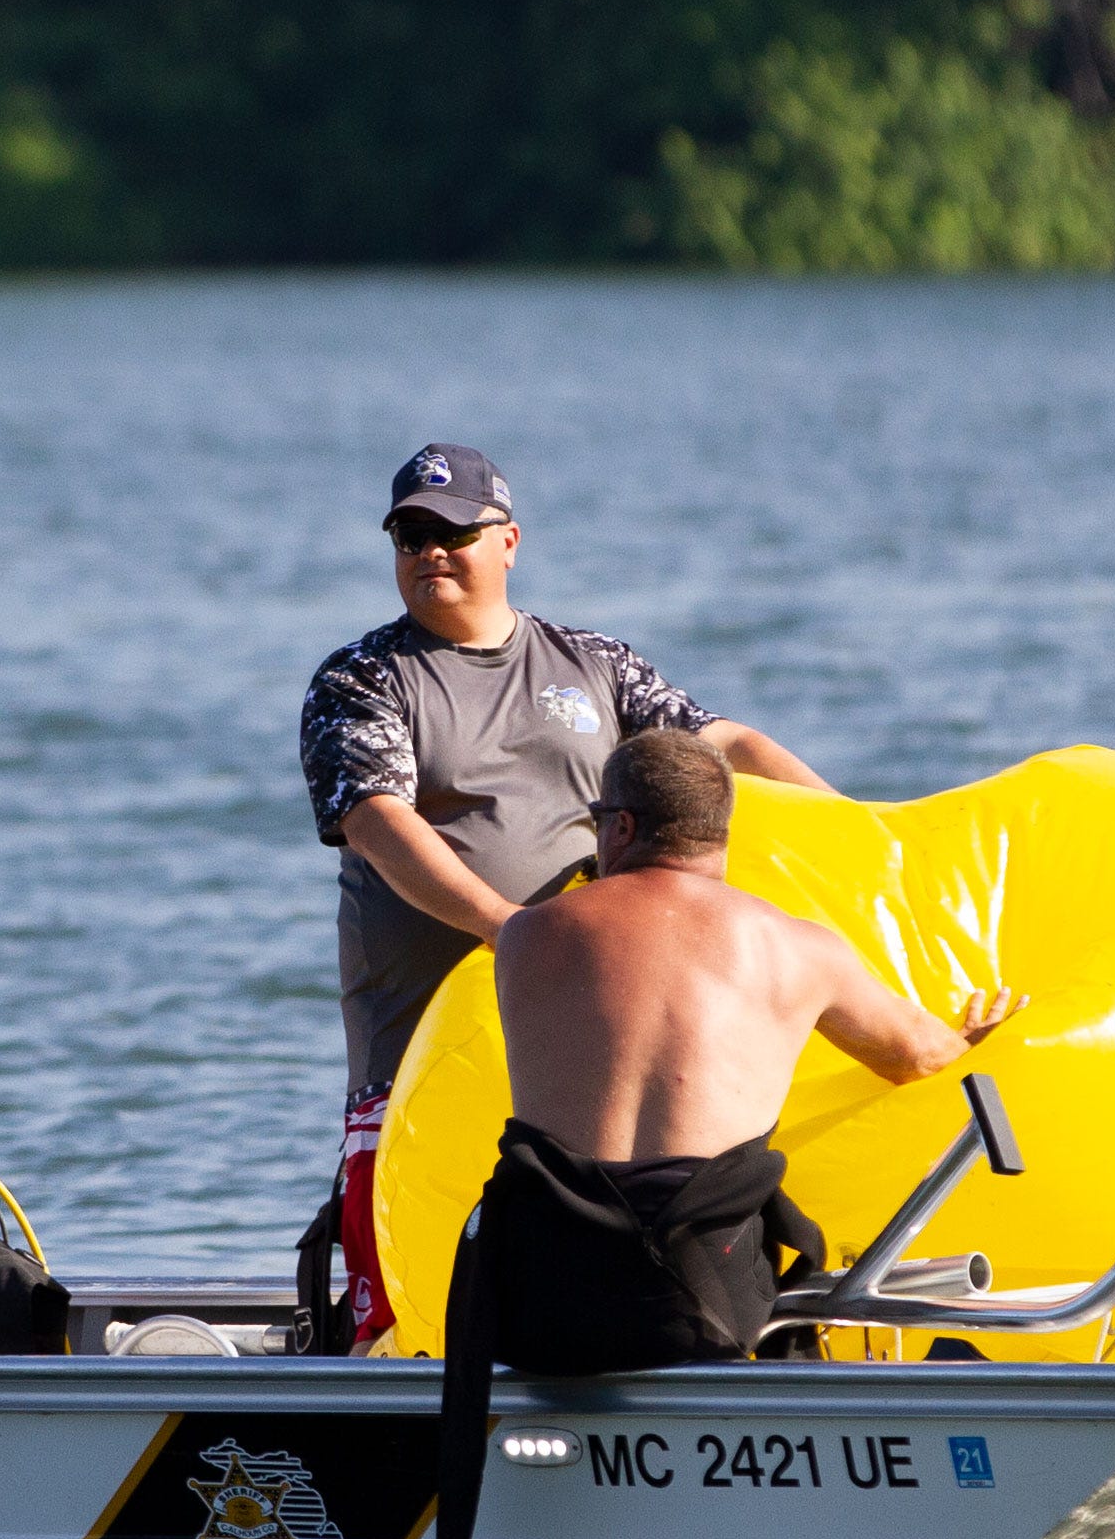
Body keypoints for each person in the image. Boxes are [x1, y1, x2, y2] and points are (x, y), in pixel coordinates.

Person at [295, 440, 829, 1343]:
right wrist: (513, 930)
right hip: (416, 1069)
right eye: (410, 534)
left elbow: (720, 751)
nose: (430, 551)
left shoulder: (592, 662)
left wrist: (868, 834)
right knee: (399, 1329)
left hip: (578, 1073)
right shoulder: (360, 679)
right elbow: (380, 821)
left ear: (507, 541)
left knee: (606, 1317)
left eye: (453, 531)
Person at [454, 729, 1004, 1376]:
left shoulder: (526, 937)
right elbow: (918, 1055)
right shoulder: (798, 948)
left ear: (622, 826)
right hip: (706, 1306)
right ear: (720, 830)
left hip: (543, 1308)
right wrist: (973, 1030)